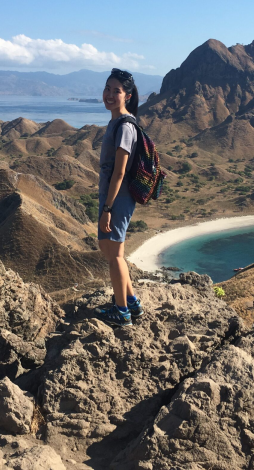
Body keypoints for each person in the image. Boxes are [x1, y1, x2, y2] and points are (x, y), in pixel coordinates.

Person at [94, 68, 144, 327]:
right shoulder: (117, 122)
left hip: (118, 198)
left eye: (117, 91)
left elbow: (120, 171)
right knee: (112, 251)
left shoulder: (125, 126)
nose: (109, 95)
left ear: (128, 95)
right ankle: (131, 303)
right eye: (107, 89)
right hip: (113, 197)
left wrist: (108, 209)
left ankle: (122, 311)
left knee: (114, 254)